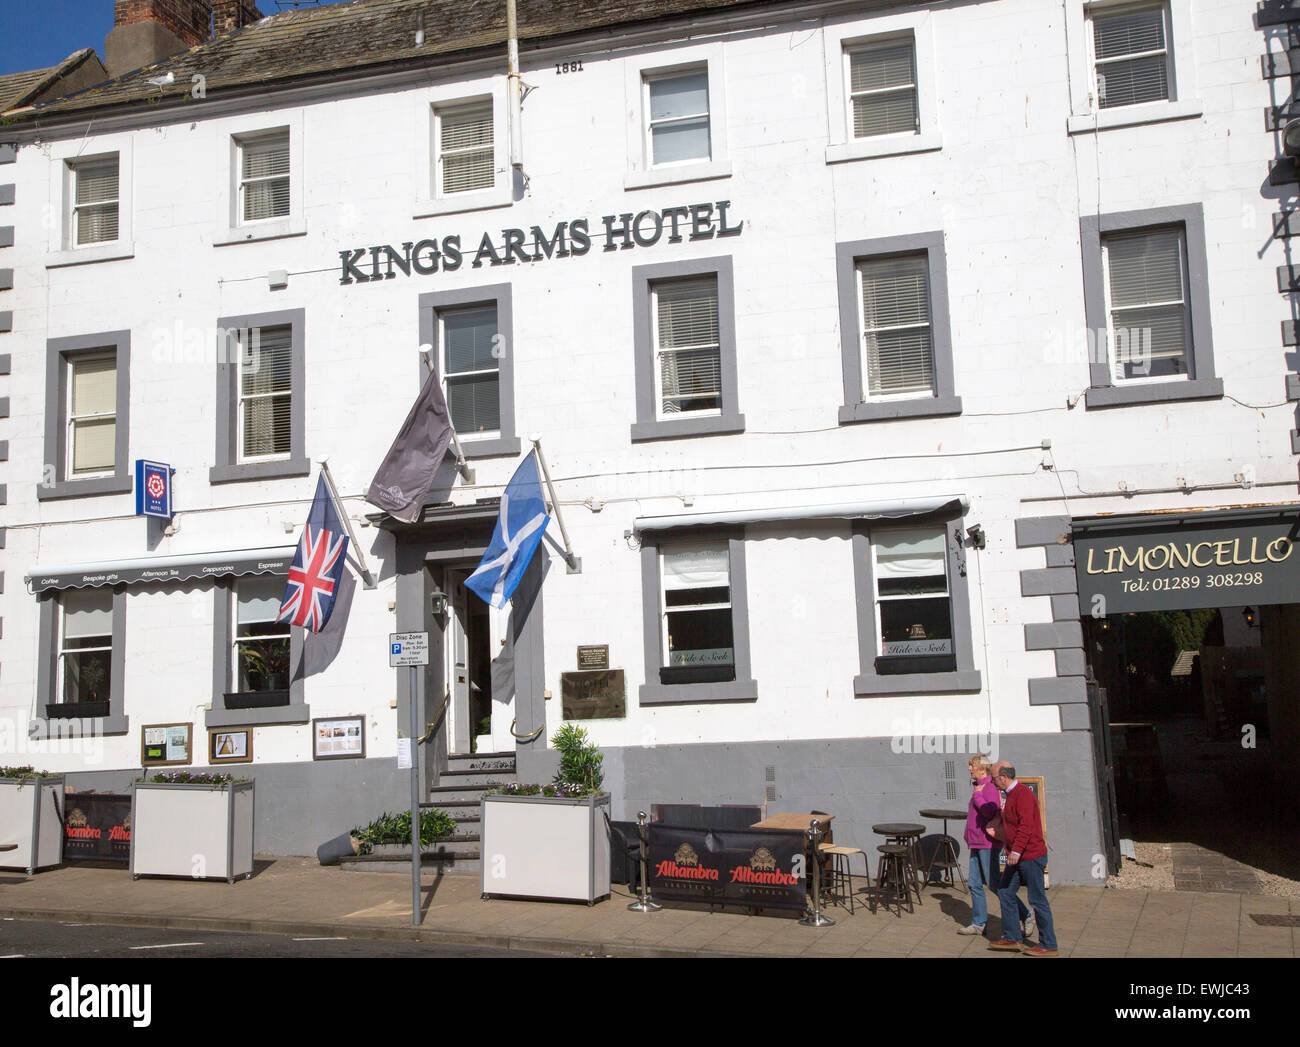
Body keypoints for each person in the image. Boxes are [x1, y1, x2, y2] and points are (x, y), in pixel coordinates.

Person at [986, 762, 1058, 956]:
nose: (993, 783)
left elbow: (1025, 826)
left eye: (993, 779)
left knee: (1037, 899)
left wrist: (1016, 852)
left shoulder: (1023, 794)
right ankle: (1012, 937)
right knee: (1004, 891)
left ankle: (1049, 945)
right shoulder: (1010, 795)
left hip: (1030, 856)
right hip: (1017, 855)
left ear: (1003, 777)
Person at [956, 754, 1000, 936]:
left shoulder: (988, 787)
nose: (969, 769)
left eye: (971, 765)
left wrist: (978, 795)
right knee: (974, 884)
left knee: (994, 884)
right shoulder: (979, 787)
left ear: (983, 768)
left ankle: (1025, 914)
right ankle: (979, 923)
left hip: (987, 844)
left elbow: (990, 811)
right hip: (976, 842)